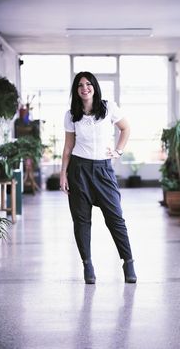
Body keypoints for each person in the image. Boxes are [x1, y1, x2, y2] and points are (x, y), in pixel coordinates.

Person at [60, 71, 137, 284]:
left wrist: (119, 151)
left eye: (88, 84)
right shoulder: (71, 114)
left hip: (103, 171)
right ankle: (87, 264)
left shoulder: (108, 107)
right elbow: (68, 146)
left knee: (115, 217)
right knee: (82, 220)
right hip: (78, 170)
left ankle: (128, 261)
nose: (85, 88)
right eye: (80, 85)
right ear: (76, 90)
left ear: (94, 86)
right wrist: (63, 173)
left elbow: (125, 128)